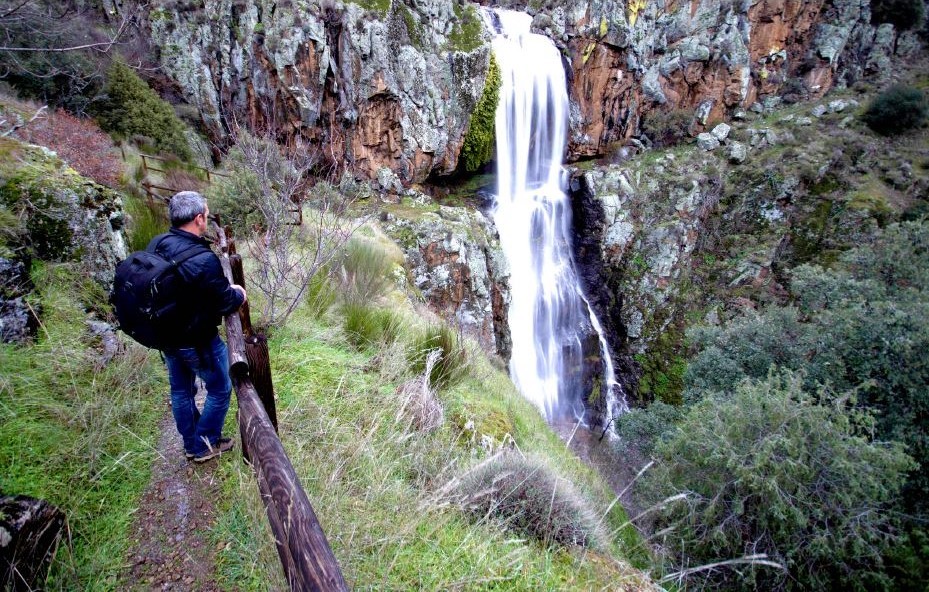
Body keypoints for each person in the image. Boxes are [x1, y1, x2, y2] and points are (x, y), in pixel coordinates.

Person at [151, 191, 247, 463]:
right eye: (206, 213)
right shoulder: (203, 259)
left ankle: (190, 441)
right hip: (197, 340)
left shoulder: (157, 243)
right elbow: (224, 301)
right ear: (199, 219)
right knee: (219, 387)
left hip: (167, 336)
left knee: (181, 390)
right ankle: (203, 443)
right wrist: (238, 293)